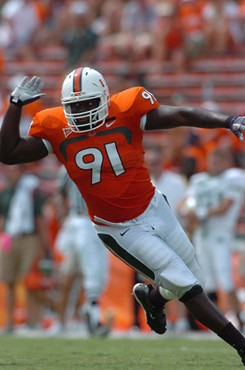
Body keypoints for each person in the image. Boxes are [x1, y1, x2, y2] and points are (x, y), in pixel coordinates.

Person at [0, 68, 245, 365]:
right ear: (65, 107)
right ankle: (241, 346)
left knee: (196, 280)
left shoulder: (126, 109)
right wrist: (15, 106)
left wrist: (228, 121)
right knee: (185, 284)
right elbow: (9, 153)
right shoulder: (55, 127)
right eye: (74, 106)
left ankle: (153, 299)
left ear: (104, 98)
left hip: (155, 208)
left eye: (88, 103)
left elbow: (180, 115)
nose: (81, 111)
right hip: (119, 229)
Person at [179, 147, 245, 329]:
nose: (214, 164)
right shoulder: (199, 180)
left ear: (228, 162)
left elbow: (225, 206)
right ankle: (215, 321)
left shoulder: (233, 177)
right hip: (202, 234)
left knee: (225, 278)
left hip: (221, 235)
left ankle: (237, 317)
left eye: (219, 160)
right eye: (212, 160)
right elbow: (184, 203)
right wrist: (187, 212)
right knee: (206, 280)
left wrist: (200, 213)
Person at [54, 165, 110, 336]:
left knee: (86, 274)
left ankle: (81, 317)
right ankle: (82, 319)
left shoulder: (106, 162)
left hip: (98, 223)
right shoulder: (68, 165)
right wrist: (63, 215)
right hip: (80, 222)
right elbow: (60, 192)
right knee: (78, 275)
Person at [0, 164, 49, 332]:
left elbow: (40, 219)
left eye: (13, 170)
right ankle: (9, 323)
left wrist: (44, 246)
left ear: (21, 172)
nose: (9, 174)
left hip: (29, 237)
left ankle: (32, 321)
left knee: (30, 282)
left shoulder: (31, 190)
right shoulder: (6, 193)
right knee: (8, 281)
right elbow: (3, 218)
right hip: (10, 237)